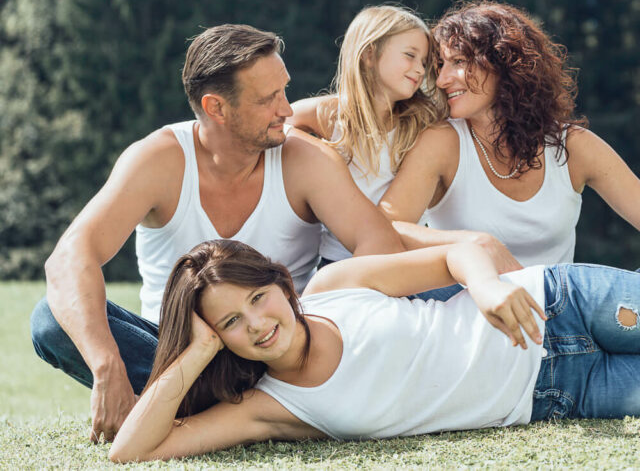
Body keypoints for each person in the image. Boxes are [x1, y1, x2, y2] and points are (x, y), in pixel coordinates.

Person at [108, 239, 640, 462]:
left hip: (566, 300)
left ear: (280, 287)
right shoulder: (270, 407)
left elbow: (458, 251)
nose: (258, 321)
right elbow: (134, 451)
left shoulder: (336, 287)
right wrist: (186, 350)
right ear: (217, 334)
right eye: (233, 320)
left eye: (259, 296)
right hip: (561, 395)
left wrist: (480, 286)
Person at [31, 24, 407, 444]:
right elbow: (69, 258)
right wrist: (107, 366)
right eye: (268, 100)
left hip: (275, 351)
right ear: (216, 107)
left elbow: (382, 249)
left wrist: (309, 314)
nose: (287, 110)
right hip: (183, 360)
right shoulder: (158, 160)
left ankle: (197, 417)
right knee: (49, 320)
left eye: (285, 91)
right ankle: (232, 413)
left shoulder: (305, 159)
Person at [380, 0, 640, 295]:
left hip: (558, 313)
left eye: (458, 62)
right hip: (474, 302)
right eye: (440, 66)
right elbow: (388, 227)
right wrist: (472, 244)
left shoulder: (572, 147)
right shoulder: (443, 141)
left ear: (504, 61)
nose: (441, 79)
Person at [291, 5, 504, 266]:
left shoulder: (420, 122)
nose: (419, 69)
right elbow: (281, 123)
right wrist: (320, 155)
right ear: (369, 54)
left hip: (398, 260)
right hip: (336, 260)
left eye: (424, 63)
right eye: (410, 56)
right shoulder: (330, 115)